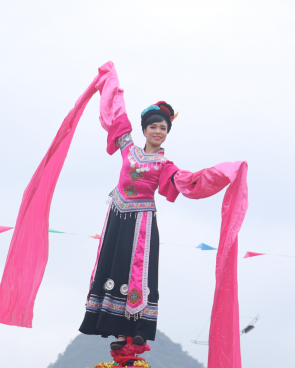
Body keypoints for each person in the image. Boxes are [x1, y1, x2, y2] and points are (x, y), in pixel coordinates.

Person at [79, 97, 202, 350]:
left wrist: (214, 176)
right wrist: (111, 82)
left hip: (142, 224)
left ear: (167, 134)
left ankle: (137, 330)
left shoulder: (165, 165)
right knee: (115, 268)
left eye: (163, 128)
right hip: (117, 217)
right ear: (144, 129)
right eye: (154, 127)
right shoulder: (128, 148)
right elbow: (116, 117)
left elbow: (183, 180)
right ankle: (118, 331)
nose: (158, 132)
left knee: (138, 273)